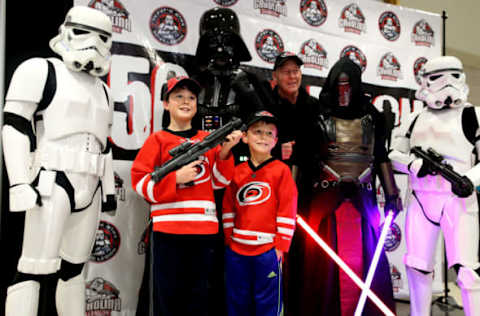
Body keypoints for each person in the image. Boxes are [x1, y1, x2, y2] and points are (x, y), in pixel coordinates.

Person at [2, 6, 116, 316]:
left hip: (90, 185)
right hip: (51, 180)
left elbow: (104, 146)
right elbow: (15, 125)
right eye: (83, 32)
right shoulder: (40, 69)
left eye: (102, 37)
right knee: (34, 267)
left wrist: (107, 190)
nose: (93, 43)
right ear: (66, 30)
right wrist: (19, 182)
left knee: (75, 271)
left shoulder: (104, 90)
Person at [290, 56, 401, 316]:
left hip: (362, 202)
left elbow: (380, 155)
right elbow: (302, 158)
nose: (343, 92)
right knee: (323, 268)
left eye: (348, 85)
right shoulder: (315, 114)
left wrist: (392, 192)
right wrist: (292, 197)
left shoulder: (371, 116)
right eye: (339, 86)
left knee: (367, 260)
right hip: (327, 201)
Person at [131, 76, 242, 316]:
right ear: (166, 104)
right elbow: (140, 183)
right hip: (168, 232)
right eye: (178, 96)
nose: (186, 101)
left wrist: (224, 152)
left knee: (200, 299)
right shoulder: (157, 140)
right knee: (167, 299)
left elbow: (219, 182)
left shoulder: (206, 139)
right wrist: (175, 179)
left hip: (204, 232)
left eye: (191, 97)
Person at [389, 56, 480, 316]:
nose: (447, 83)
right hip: (421, 199)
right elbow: (393, 154)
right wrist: (413, 165)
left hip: (458, 200)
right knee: (417, 268)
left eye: (454, 75)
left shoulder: (473, 115)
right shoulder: (414, 119)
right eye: (439, 77)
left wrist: (470, 180)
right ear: (425, 81)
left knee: (467, 274)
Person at [222, 110, 298, 316]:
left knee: (268, 302)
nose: (263, 137)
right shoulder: (236, 171)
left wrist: (280, 246)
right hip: (237, 250)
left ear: (275, 141)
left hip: (267, 250)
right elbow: (228, 207)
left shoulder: (281, 171)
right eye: (257, 132)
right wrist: (229, 239)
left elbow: (288, 209)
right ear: (245, 136)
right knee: (237, 299)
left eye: (269, 133)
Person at [193, 6, 274, 163]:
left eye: (227, 41)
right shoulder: (194, 83)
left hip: (240, 159)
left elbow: (270, 123)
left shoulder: (253, 81)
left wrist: (250, 94)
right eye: (213, 41)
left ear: (236, 45)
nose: (220, 47)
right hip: (201, 158)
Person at [268, 51, 319, 167]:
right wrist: (278, 147)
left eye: (295, 71)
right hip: (273, 175)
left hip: (306, 177)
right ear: (275, 76)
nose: (292, 77)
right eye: (286, 72)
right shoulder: (266, 105)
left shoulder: (315, 105)